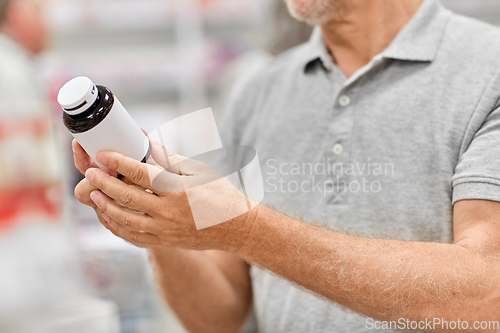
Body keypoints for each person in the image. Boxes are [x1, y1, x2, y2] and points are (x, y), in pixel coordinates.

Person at [74, 0, 500, 332]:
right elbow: (219, 318)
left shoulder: (488, 70)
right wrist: (157, 223)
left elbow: (487, 296)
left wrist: (247, 230)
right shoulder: (255, 93)